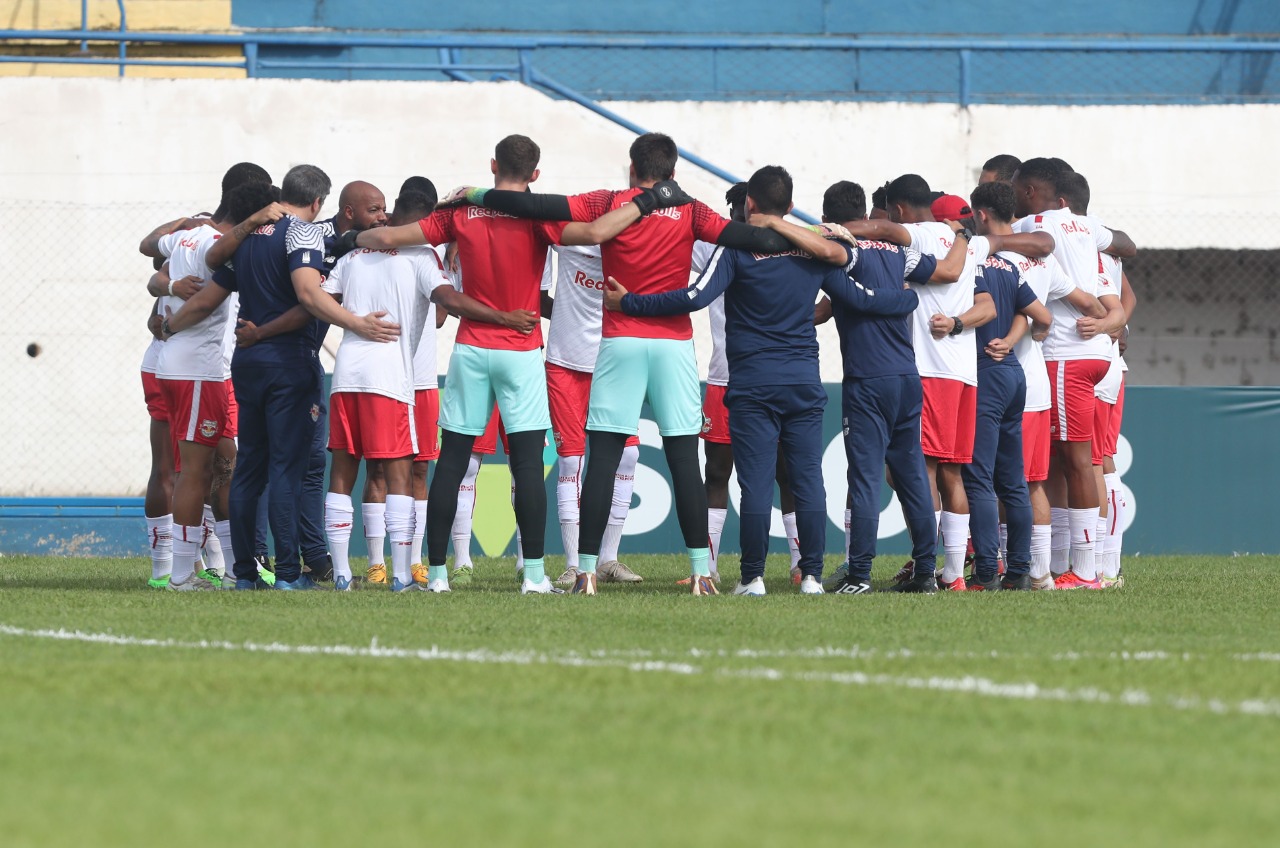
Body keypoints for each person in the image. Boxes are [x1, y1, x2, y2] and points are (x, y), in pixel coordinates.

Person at [456, 132, 835, 595]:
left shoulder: (608, 201)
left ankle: (587, 572)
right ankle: (701, 573)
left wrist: (474, 194)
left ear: (632, 169)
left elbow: (538, 208)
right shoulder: (692, 209)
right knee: (682, 460)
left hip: (620, 340)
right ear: (674, 172)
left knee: (603, 458)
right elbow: (755, 237)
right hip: (674, 344)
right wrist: (821, 234)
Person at [347, 134, 654, 595]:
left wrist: (350, 237)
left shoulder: (459, 212)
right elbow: (594, 233)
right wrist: (650, 202)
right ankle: (533, 575)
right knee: (528, 464)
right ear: (535, 175)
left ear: (492, 165)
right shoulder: (537, 216)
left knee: (450, 463)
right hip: (522, 348)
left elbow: (388, 236)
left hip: (471, 347)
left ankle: (436, 575)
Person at [608, 166, 920, 596]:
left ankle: (752, 578)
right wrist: (907, 298)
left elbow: (695, 296)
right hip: (804, 385)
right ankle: (810, 576)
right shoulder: (813, 252)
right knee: (808, 480)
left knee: (754, 483)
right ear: (790, 207)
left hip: (753, 385)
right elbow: (856, 298)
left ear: (749, 205)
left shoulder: (736, 250)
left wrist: (630, 303)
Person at [166, 165, 400, 590]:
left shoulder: (248, 238)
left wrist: (169, 325)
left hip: (247, 362)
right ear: (318, 203)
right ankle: (289, 574)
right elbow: (310, 296)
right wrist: (357, 323)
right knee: (287, 470)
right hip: (289, 364)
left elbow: (207, 297)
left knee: (249, 467)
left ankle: (244, 574)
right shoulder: (304, 234)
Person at [814, 180, 964, 595]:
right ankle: (925, 574)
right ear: (864, 213)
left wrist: (903, 302)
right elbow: (946, 271)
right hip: (907, 378)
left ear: (828, 218)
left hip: (868, 380)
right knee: (913, 476)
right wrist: (962, 239)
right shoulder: (900, 251)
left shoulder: (838, 252)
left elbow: (847, 299)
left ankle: (859, 575)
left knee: (865, 478)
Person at [140, 162, 273, 590]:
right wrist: (171, 313)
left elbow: (148, 250)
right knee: (195, 472)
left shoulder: (185, 234)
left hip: (180, 367)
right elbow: (205, 272)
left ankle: (228, 565)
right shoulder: (219, 244)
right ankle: (181, 572)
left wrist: (165, 285)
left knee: (213, 465)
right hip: (198, 370)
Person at [1011, 158, 1132, 589]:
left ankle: (1084, 571)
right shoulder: (1089, 231)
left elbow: (1013, 249)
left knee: (1077, 464)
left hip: (1065, 354)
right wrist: (1109, 322)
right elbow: (1126, 249)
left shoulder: (1032, 225)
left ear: (1028, 192)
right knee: (1082, 463)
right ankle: (1088, 565)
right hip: (1099, 356)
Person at [690, 182, 806, 587]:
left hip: (767, 376)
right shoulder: (716, 246)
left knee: (785, 473)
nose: (744, 218)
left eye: (746, 209)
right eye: (736, 211)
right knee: (717, 471)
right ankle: (706, 566)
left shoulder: (791, 245)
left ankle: (799, 564)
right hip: (724, 377)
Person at [953, 181, 1054, 591]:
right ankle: (1019, 571)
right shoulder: (1008, 266)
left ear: (979, 216)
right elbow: (1040, 317)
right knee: (1013, 480)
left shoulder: (963, 263)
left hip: (986, 375)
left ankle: (984, 574)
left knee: (978, 478)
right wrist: (1012, 341)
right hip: (1015, 375)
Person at [541, 243, 644, 587]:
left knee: (628, 455)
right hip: (565, 365)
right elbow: (530, 218)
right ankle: (574, 565)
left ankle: (608, 559)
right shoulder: (570, 238)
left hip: (614, 363)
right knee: (571, 461)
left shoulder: (632, 247)